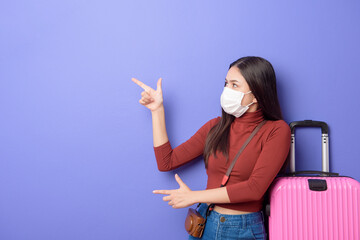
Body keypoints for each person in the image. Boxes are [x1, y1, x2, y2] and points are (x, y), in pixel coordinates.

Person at [132, 56, 290, 240]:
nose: (226, 90)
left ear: (256, 94)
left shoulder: (277, 130)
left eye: (234, 85)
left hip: (239, 230)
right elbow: (167, 162)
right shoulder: (216, 127)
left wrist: (194, 196)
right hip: (205, 222)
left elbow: (254, 189)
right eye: (225, 83)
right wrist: (157, 110)